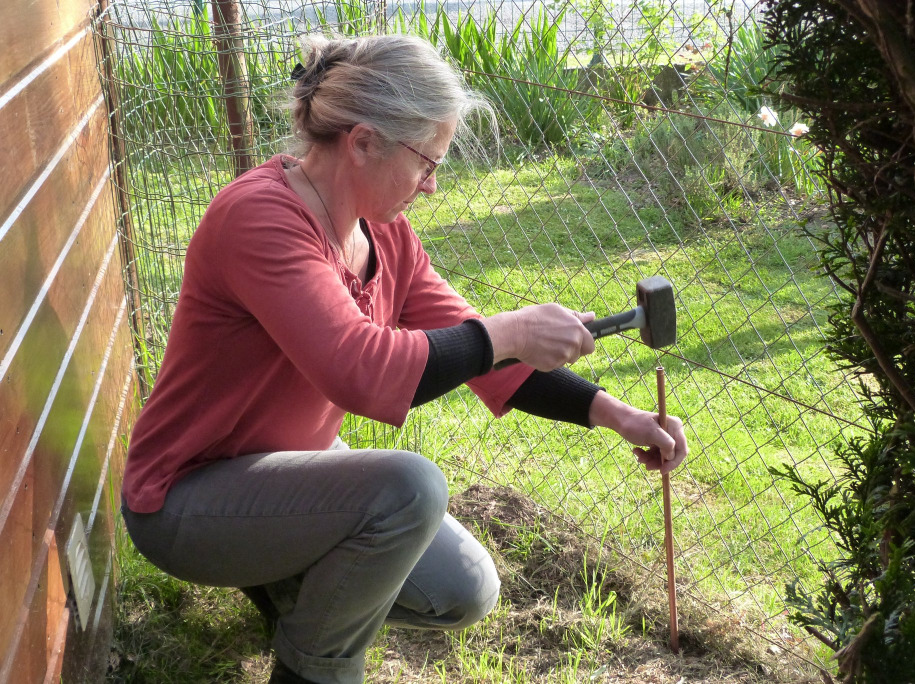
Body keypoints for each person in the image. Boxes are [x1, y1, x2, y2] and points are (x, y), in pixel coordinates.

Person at [120, 33, 688, 684]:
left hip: (279, 469)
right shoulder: (258, 220)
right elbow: (362, 370)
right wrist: (505, 333)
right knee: (408, 492)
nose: (433, 187)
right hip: (184, 498)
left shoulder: (382, 232)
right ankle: (312, 669)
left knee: (465, 587)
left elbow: (476, 348)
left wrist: (620, 416)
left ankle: (287, 592)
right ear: (363, 142)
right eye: (427, 163)